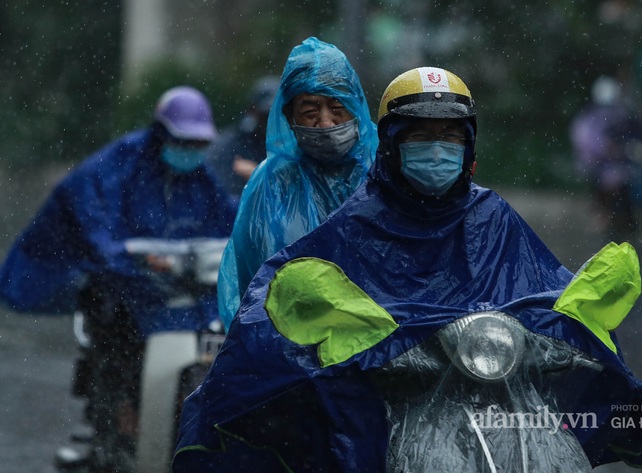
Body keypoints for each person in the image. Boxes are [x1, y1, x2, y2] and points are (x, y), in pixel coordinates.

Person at [173, 67, 642, 472]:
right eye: (420, 136)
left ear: (470, 146)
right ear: (391, 144)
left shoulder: (492, 216)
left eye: (450, 136)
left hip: (498, 401)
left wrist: (564, 324)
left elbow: (544, 288)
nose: (437, 150)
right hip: (390, 406)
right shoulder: (358, 224)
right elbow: (286, 301)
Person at [0, 86, 238, 472]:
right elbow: (96, 230)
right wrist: (132, 258)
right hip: (119, 291)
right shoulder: (114, 168)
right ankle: (119, 423)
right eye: (183, 141)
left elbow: (229, 220)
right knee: (119, 345)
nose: (191, 150)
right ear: (161, 133)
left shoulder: (200, 177)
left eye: (199, 143)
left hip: (177, 292)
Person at [217, 36, 378, 329]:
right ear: (290, 119)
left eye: (337, 107)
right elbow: (250, 282)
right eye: (310, 111)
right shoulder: (270, 183)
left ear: (356, 106)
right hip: (294, 346)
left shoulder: (385, 167)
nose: (326, 123)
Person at [569, 76, 642, 245]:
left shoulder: (611, 115)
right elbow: (592, 146)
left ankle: (631, 224)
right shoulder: (593, 119)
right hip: (607, 169)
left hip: (624, 168)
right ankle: (615, 222)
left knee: (634, 193)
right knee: (616, 195)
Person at [205, 75, 279, 196]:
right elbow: (223, 199)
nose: (271, 121)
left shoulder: (292, 146)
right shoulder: (228, 146)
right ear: (252, 111)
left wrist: (260, 177)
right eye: (266, 115)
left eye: (276, 114)